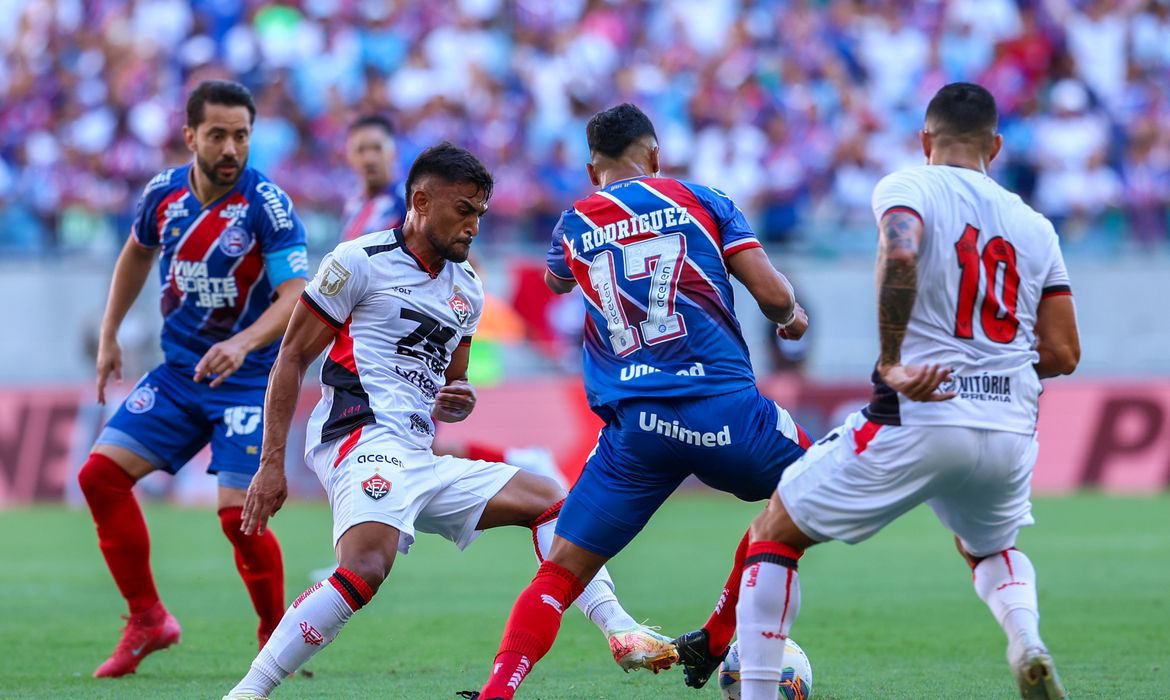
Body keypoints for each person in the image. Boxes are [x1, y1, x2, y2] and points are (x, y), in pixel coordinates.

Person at [222, 142, 674, 700]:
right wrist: (271, 463)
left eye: (481, 213)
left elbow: (449, 384)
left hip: (418, 453)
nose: (473, 226)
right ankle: (248, 692)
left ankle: (620, 629)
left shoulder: (467, 289)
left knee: (554, 499)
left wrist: (454, 397)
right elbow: (290, 357)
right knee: (365, 566)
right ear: (420, 201)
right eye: (463, 209)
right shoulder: (356, 262)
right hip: (359, 436)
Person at [729, 83, 1078, 700]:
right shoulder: (1035, 225)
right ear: (996, 146)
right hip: (1009, 427)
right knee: (991, 545)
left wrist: (892, 359)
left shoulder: (909, 186)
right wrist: (992, 369)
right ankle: (1027, 642)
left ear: (925, 141)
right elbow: (1063, 353)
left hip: (922, 407)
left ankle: (756, 691)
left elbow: (901, 250)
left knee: (773, 532)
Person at [471, 103, 811, 700]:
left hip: (638, 428)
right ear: (655, 154)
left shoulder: (574, 222)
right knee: (805, 496)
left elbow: (555, 280)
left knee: (560, 573)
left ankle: (497, 692)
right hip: (726, 412)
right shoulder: (702, 199)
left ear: (590, 168)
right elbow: (772, 293)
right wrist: (791, 315)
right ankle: (720, 631)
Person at [78, 80, 310, 678]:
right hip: (181, 372)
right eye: (218, 135)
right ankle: (148, 618)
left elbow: (294, 297)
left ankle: (274, 635)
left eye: (241, 135)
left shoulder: (268, 206)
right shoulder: (162, 194)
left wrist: (241, 342)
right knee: (100, 477)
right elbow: (135, 254)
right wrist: (109, 333)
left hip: (249, 378)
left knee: (240, 517)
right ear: (191, 137)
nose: (231, 147)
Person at [339, 114, 407, 242]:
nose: (369, 159)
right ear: (349, 156)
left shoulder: (408, 203)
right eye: (360, 150)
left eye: (377, 148)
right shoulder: (352, 205)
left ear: (394, 152)